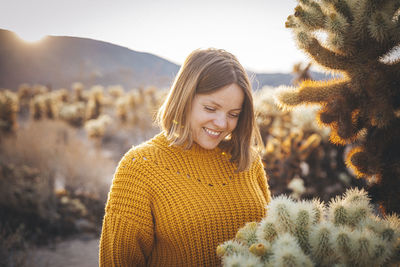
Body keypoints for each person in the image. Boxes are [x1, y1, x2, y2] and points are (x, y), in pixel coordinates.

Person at [99, 48, 271, 266]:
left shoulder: (248, 160)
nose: (222, 123)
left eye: (233, 114)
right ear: (185, 98)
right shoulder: (140, 168)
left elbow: (269, 244)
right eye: (210, 108)